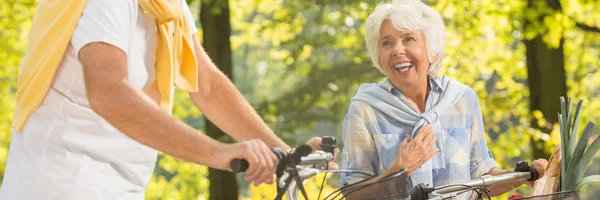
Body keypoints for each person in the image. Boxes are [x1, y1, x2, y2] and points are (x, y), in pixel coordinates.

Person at [0, 0, 336, 199]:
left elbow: (206, 85)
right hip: (61, 184)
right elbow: (108, 92)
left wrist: (286, 157)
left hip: (120, 185)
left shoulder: (168, 5)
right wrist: (220, 153)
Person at [340, 0, 547, 198]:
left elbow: (480, 178)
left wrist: (523, 175)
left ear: (432, 51)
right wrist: (400, 170)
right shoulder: (365, 109)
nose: (397, 50)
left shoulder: (462, 100)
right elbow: (353, 194)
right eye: (387, 43)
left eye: (408, 39)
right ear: (379, 56)